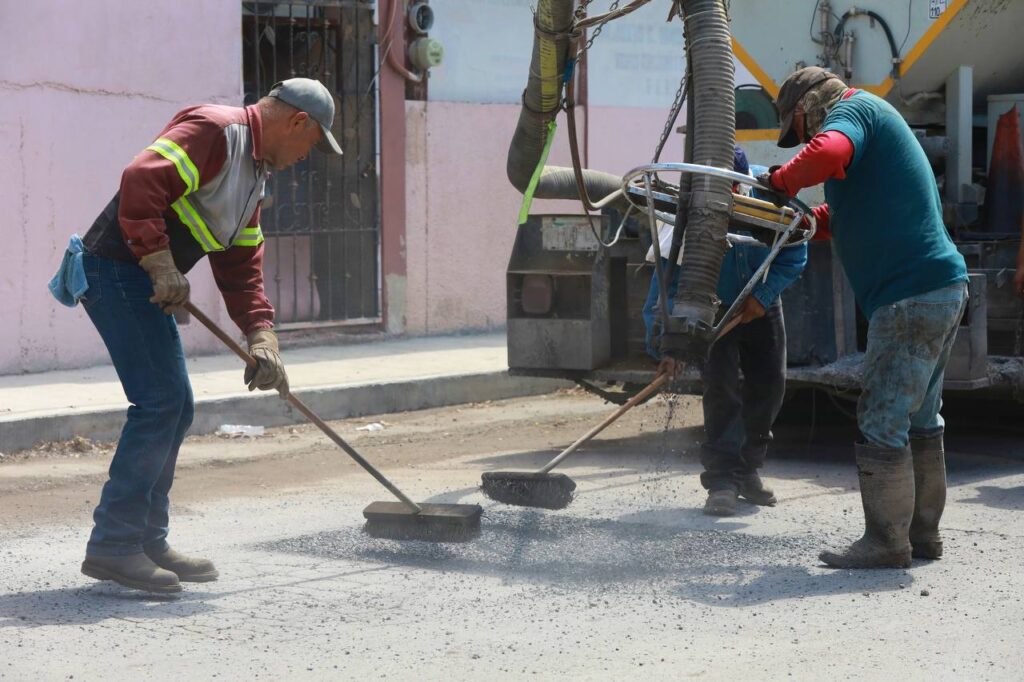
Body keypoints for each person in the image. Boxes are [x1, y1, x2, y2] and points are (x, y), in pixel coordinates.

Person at [49, 78, 343, 593]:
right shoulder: (216, 130)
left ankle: (146, 540)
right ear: (298, 122)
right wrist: (160, 261)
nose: (305, 157)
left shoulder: (253, 178)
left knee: (176, 406)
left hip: (141, 279)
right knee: (160, 402)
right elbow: (141, 179)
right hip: (115, 269)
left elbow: (241, 267)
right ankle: (114, 546)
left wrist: (261, 336)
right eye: (312, 144)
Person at [760, 67, 968, 569]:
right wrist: (806, 222)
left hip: (909, 295)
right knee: (919, 416)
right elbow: (849, 215)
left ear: (808, 109)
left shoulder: (855, 111)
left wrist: (780, 181)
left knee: (881, 416)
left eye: (801, 130)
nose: (804, 139)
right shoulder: (874, 123)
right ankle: (922, 535)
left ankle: (886, 541)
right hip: (940, 288)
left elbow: (829, 151)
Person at [643, 146, 808, 517]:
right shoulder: (686, 214)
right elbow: (664, 287)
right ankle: (721, 482)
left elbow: (796, 254)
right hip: (711, 308)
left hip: (758, 303)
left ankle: (748, 471)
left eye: (730, 193)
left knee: (770, 383)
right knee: (722, 390)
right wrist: (668, 345)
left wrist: (762, 298)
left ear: (740, 187)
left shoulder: (770, 196)